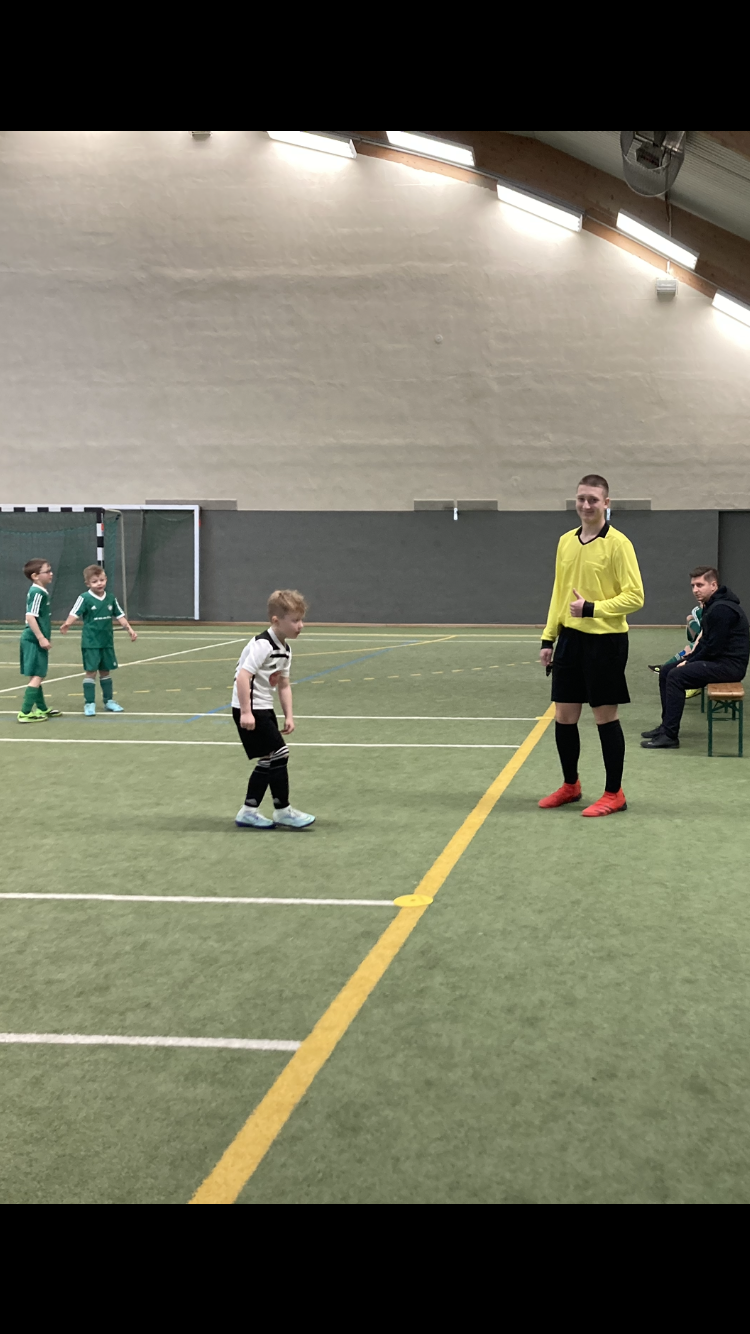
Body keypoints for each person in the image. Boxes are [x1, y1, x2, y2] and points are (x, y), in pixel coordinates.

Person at [538, 474, 645, 816]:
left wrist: (592, 608)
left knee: (605, 717)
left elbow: (635, 596)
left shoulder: (619, 544)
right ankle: (571, 785)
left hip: (606, 641)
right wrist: (549, 637)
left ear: (606, 504)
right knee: (564, 716)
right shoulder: (565, 542)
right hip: (570, 639)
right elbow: (559, 593)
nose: (586, 505)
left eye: (593, 500)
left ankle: (615, 793)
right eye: (581, 498)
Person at [233, 589, 315, 830]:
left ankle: (248, 811)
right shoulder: (263, 645)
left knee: (269, 759)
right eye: (295, 620)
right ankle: (283, 810)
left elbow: (284, 684)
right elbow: (243, 677)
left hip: (264, 707)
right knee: (280, 753)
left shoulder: (285, 650)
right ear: (276, 621)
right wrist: (246, 712)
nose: (300, 626)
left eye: (301, 620)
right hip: (250, 707)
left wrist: (289, 715)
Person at [641, 567, 750, 749]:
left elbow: (713, 647)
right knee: (666, 671)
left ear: (713, 585)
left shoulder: (722, 609)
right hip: (717, 660)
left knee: (676, 676)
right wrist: (690, 657)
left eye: (700, 585)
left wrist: (690, 662)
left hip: (729, 667)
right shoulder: (712, 605)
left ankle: (670, 736)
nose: (695, 590)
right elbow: (705, 641)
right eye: (693, 586)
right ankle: (665, 726)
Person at [59, 564, 138, 715]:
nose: (99, 584)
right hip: (91, 643)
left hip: (106, 642)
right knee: (91, 672)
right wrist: (67, 623)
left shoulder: (110, 598)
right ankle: (89, 703)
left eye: (101, 580)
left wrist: (130, 630)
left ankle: (109, 701)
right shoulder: (85, 598)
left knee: (105, 672)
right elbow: (75, 612)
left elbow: (120, 615)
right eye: (95, 581)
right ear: (88, 583)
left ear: (106, 579)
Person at [18, 558, 63, 724]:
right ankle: (25, 712)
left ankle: (42, 708)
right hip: (33, 640)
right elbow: (30, 617)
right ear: (35, 576)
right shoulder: (37, 592)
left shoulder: (41, 591)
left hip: (33, 640)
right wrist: (41, 638)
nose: (51, 574)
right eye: (47, 571)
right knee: (38, 675)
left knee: (36, 674)